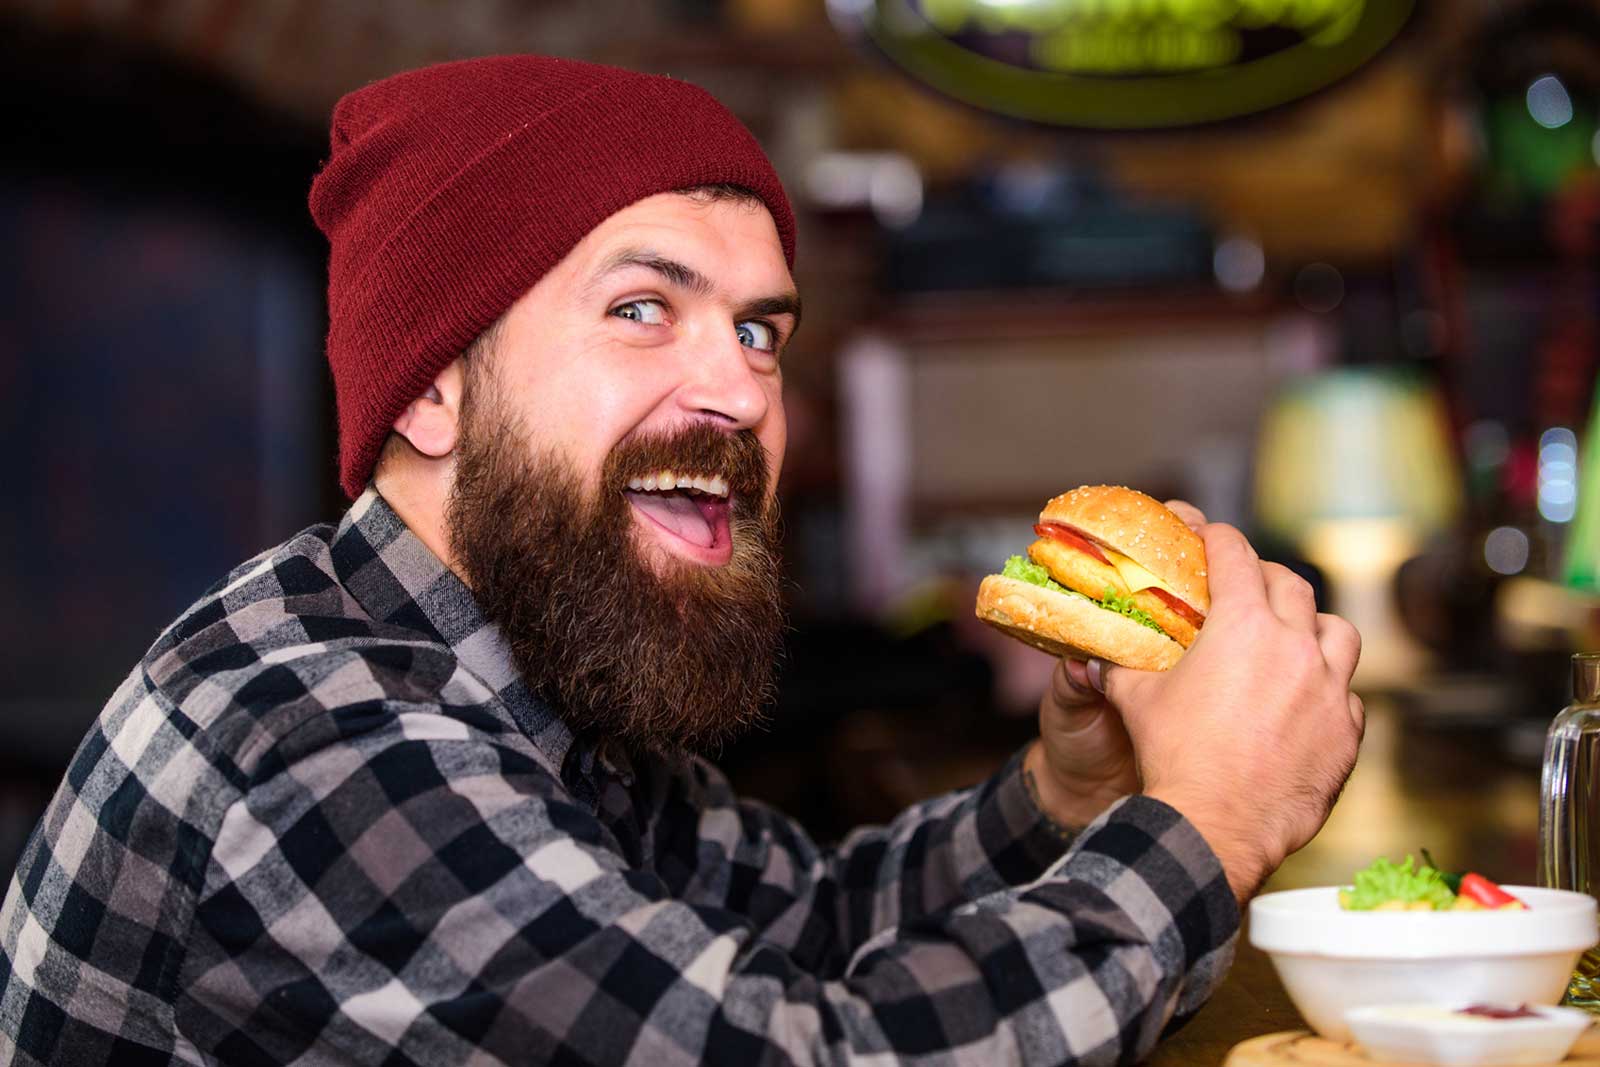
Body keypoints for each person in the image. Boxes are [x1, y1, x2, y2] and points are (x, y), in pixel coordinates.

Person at [0, 55, 1363, 1066]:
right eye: (644, 308)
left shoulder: (526, 659)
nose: (738, 391)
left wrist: (1075, 795)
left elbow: (813, 933)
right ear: (430, 393)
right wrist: (1206, 827)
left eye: (760, 331)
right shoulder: (326, 743)